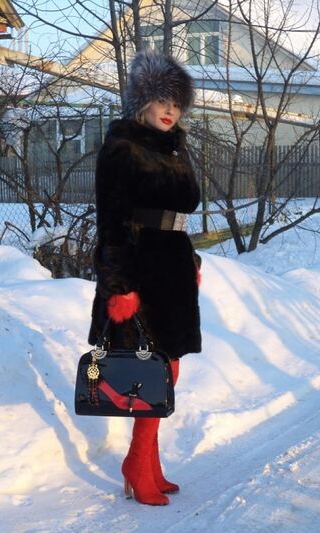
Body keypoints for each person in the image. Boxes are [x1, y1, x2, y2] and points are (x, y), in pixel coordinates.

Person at [88, 50, 202, 506]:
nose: (170, 110)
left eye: (176, 102)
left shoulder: (174, 146)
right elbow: (111, 222)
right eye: (162, 100)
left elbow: (179, 214)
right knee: (150, 369)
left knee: (168, 366)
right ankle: (137, 463)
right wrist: (120, 286)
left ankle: (148, 463)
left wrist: (191, 263)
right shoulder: (122, 146)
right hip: (139, 268)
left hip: (173, 268)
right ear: (142, 102)